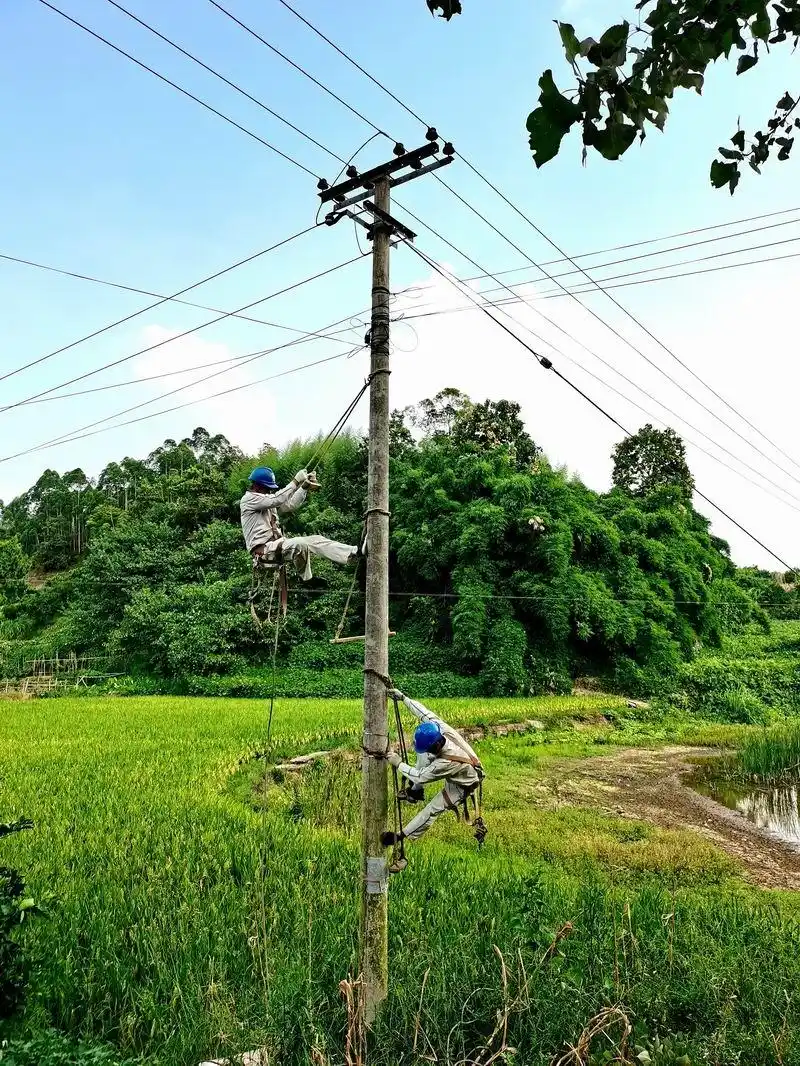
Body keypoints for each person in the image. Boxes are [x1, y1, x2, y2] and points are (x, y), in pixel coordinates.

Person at [381, 689, 484, 864]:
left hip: (464, 784)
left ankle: (400, 836)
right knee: (422, 757)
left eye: (430, 749)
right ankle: (415, 793)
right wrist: (403, 698)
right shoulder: (440, 729)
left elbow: (421, 776)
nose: (428, 752)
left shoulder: (445, 762)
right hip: (460, 769)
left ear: (436, 746)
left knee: (432, 810)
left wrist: (397, 762)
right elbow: (423, 712)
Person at [240, 466, 363, 580]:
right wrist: (295, 481)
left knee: (316, 539)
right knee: (300, 544)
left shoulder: (267, 501)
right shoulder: (248, 500)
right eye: (267, 488)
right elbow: (276, 499)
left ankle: (353, 552)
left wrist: (303, 487)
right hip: (263, 552)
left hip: (277, 545)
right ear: (257, 486)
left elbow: (289, 505)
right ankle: (308, 579)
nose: (269, 491)